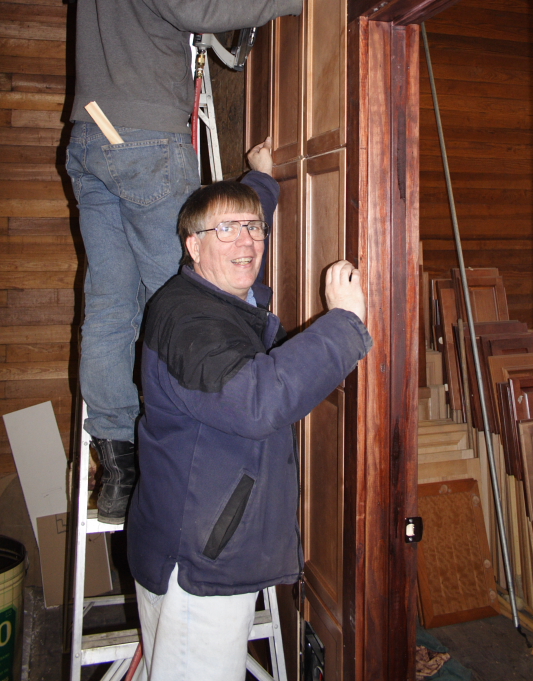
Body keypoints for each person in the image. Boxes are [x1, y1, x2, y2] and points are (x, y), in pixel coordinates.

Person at [66, 0, 314, 522]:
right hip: (143, 142)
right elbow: (191, 6)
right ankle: (189, 449)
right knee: (183, 301)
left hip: (91, 142)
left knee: (112, 308)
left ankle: (118, 463)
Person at [126, 139, 371, 680]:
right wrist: (344, 324)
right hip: (197, 565)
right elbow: (257, 401)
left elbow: (246, 237)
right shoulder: (189, 322)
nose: (246, 241)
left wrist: (261, 177)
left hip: (199, 540)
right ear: (192, 246)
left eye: (254, 228)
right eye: (227, 230)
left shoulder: (218, 296)